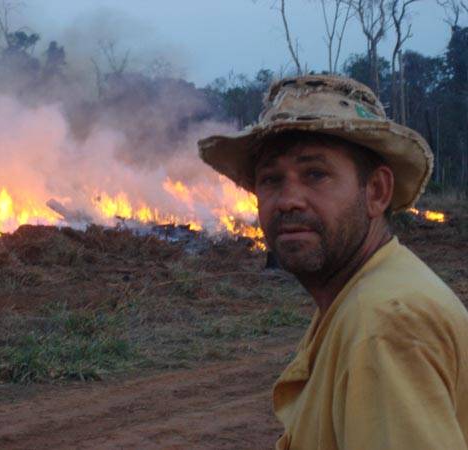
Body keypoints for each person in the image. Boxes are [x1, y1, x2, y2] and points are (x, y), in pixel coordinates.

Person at [198, 75, 468, 450]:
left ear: (376, 192)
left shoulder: (385, 325)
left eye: (315, 174)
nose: (288, 200)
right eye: (271, 179)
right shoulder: (358, 298)